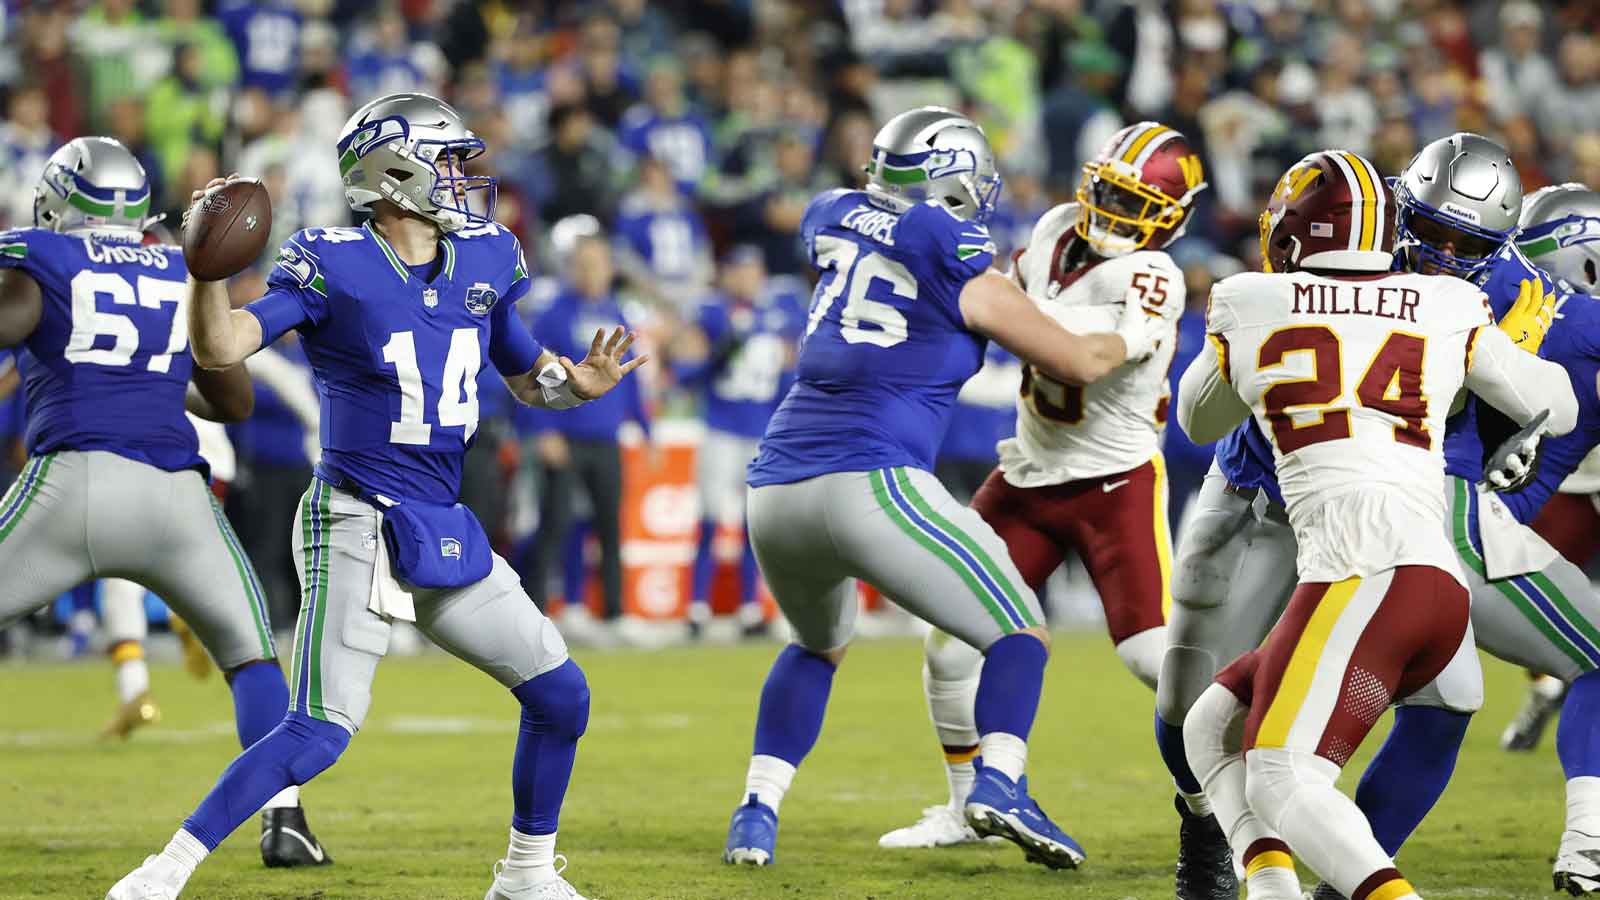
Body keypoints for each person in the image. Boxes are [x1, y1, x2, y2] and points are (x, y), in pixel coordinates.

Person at [107, 92, 644, 900]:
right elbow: (222, 347)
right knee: (320, 730)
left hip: (438, 521)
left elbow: (529, 377)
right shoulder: (335, 261)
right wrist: (207, 276)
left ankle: (527, 876)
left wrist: (580, 386)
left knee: (561, 693)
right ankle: (162, 872)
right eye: (451, 161)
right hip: (355, 518)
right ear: (395, 173)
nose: (466, 177)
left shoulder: (487, 257)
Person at [720, 106, 1168, 871]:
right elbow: (1079, 363)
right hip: (871, 480)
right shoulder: (957, 255)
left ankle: (755, 812)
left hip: (774, 488)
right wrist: (1140, 333)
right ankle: (998, 783)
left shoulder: (833, 216)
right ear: (952, 186)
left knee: (816, 645)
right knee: (1020, 632)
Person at [1176, 149, 1573, 900]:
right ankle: (1272, 891)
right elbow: (1558, 405)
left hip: (1358, 578)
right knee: (1212, 729)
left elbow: (1200, 419)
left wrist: (1236, 343)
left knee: (1282, 772)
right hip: (1426, 588)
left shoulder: (1250, 299)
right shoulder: (1450, 308)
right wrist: (1505, 358)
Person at [0, 135, 332, 868]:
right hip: (177, 498)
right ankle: (286, 822)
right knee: (252, 660)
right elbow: (233, 398)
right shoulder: (179, 266)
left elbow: (16, 322)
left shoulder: (40, 257)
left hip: (75, 483)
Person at [879, 121, 1203, 851]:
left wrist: (997, 314)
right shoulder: (1056, 227)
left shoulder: (1154, 276)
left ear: (1170, 215)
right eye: (1110, 193)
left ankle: (1256, 767)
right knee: (950, 645)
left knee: (1151, 654)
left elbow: (1085, 355)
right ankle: (970, 809)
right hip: (1026, 469)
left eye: (1135, 200)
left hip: (1111, 480)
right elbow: (1011, 314)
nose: (1114, 211)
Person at [1501, 183, 1600, 753]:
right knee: (1512, 573)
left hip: (1562, 467)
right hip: (1560, 472)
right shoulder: (1535, 306)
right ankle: (1544, 685)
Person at [520, 233, 650, 641]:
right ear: (572, 267)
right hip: (568, 435)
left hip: (606, 437)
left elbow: (629, 379)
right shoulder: (554, 313)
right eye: (585, 263)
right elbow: (531, 374)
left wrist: (645, 429)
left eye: (599, 263)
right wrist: (544, 431)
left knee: (610, 526)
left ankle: (614, 613)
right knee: (555, 525)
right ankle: (536, 613)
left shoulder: (616, 311)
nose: (592, 271)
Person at [675, 246, 804, 638]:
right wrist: (718, 356)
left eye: (753, 269)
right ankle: (697, 607)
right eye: (740, 270)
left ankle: (751, 608)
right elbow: (685, 376)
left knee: (757, 525)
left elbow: (791, 374)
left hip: (762, 433)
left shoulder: (780, 312)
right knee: (712, 518)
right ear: (727, 274)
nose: (747, 277)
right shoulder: (711, 312)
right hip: (720, 429)